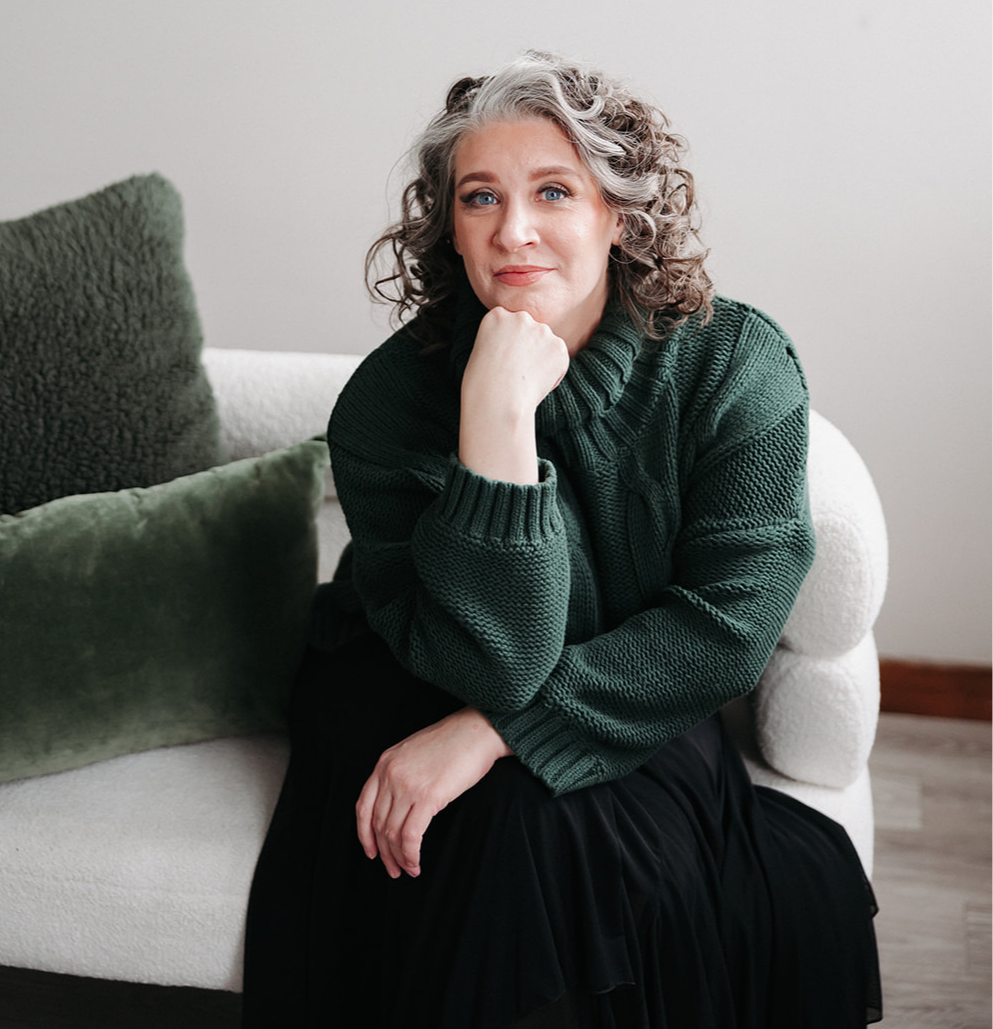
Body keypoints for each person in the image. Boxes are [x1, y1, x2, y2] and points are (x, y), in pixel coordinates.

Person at [242, 52, 882, 1028]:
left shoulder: (733, 364)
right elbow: (490, 662)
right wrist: (495, 420)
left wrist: (494, 733)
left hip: (633, 684)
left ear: (617, 217)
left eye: (552, 191)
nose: (513, 231)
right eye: (479, 198)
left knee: (536, 831)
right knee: (499, 836)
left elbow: (725, 626)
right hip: (413, 669)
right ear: (448, 226)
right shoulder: (388, 402)